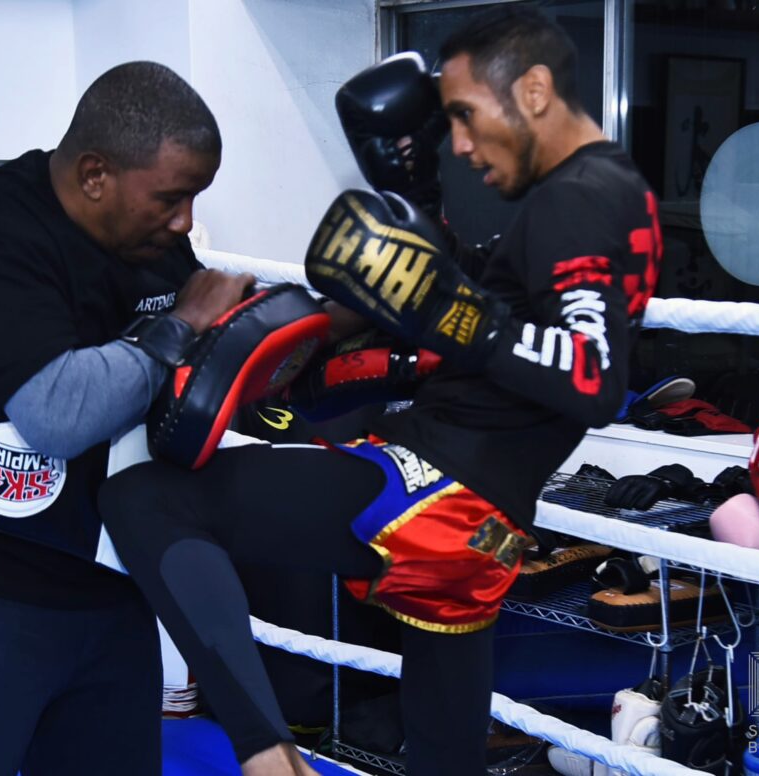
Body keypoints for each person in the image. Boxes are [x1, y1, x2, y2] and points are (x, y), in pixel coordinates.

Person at [98, 7, 663, 776]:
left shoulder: (582, 197)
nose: (460, 143)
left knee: (144, 498)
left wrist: (442, 304)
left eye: (465, 116)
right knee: (444, 761)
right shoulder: (601, 195)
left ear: (533, 91)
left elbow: (590, 375)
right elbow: (512, 332)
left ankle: (266, 751)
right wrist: (424, 213)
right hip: (487, 535)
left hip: (438, 494)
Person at [0, 61, 273, 775]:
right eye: (171, 198)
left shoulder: (151, 244)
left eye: (194, 199)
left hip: (109, 589)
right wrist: (179, 326)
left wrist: (299, 338)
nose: (185, 222)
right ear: (95, 174)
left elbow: (197, 375)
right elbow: (56, 412)